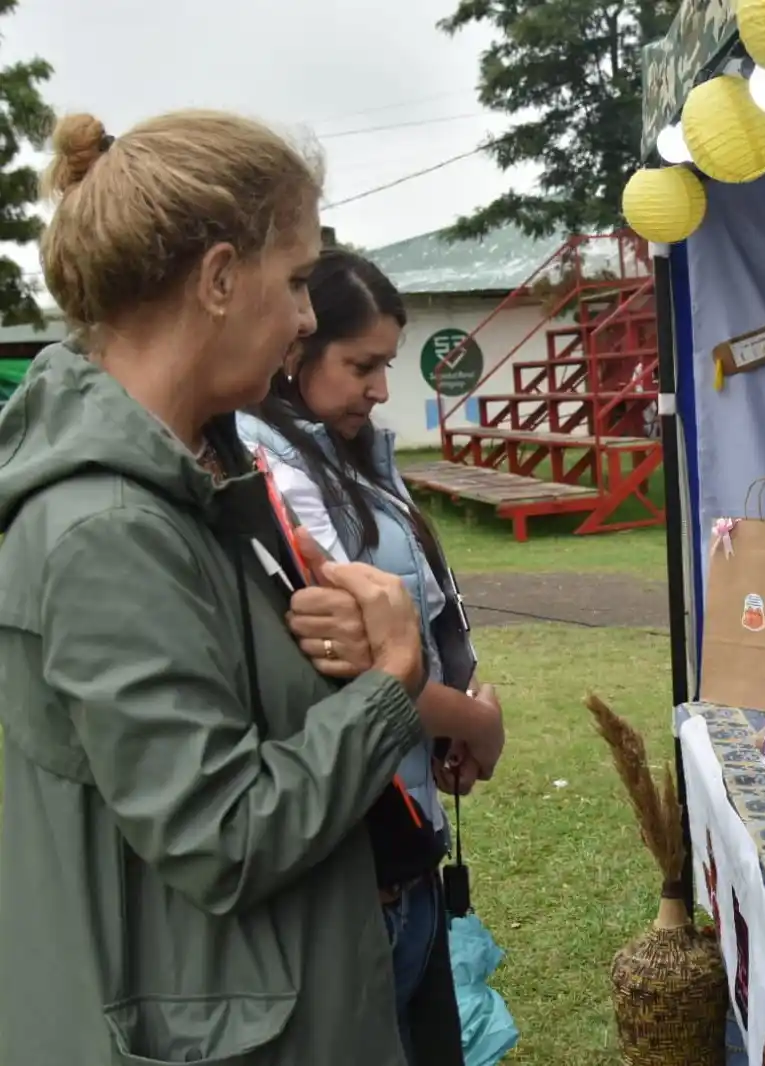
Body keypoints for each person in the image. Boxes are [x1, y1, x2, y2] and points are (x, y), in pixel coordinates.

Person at [0, 111, 484, 1066]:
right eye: (297, 280)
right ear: (220, 278)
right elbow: (222, 833)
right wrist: (389, 685)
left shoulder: (205, 474)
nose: (306, 319)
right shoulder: (109, 529)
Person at [236, 247, 505, 1059]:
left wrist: (452, 718)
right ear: (297, 347)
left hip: (406, 829)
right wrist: (477, 724)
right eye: (362, 365)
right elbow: (352, 663)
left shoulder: (349, 458)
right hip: (366, 848)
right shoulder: (276, 474)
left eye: (386, 365)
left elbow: (413, 629)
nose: (381, 389)